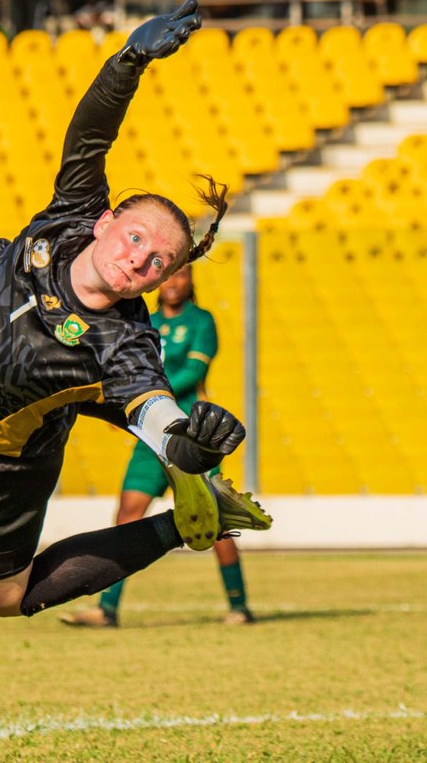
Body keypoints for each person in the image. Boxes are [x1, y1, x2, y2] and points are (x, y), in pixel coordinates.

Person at [0, 0, 272, 619]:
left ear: (161, 283)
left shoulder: (124, 344)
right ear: (103, 222)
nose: (143, 259)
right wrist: (130, 60)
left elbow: (156, 412)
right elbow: (91, 134)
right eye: (138, 237)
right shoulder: (71, 212)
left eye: (161, 263)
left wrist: (192, 449)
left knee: (5, 599)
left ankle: (185, 525)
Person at [60, 263, 255, 628]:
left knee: (213, 521)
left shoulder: (202, 321)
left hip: (192, 437)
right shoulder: (145, 322)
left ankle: (239, 606)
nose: (173, 283)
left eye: (181, 276)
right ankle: (107, 608)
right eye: (168, 277)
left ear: (190, 281)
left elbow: (194, 373)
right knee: (126, 514)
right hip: (150, 439)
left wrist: (150, 393)